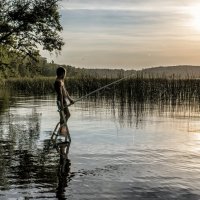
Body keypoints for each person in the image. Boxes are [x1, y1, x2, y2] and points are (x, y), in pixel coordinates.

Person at [54, 66, 74, 139]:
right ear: (62, 73)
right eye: (64, 73)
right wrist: (62, 105)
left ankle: (62, 129)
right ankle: (61, 130)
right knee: (65, 115)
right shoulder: (58, 82)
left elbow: (65, 92)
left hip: (63, 101)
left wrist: (70, 99)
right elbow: (60, 94)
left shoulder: (61, 81)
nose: (65, 75)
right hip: (60, 101)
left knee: (66, 115)